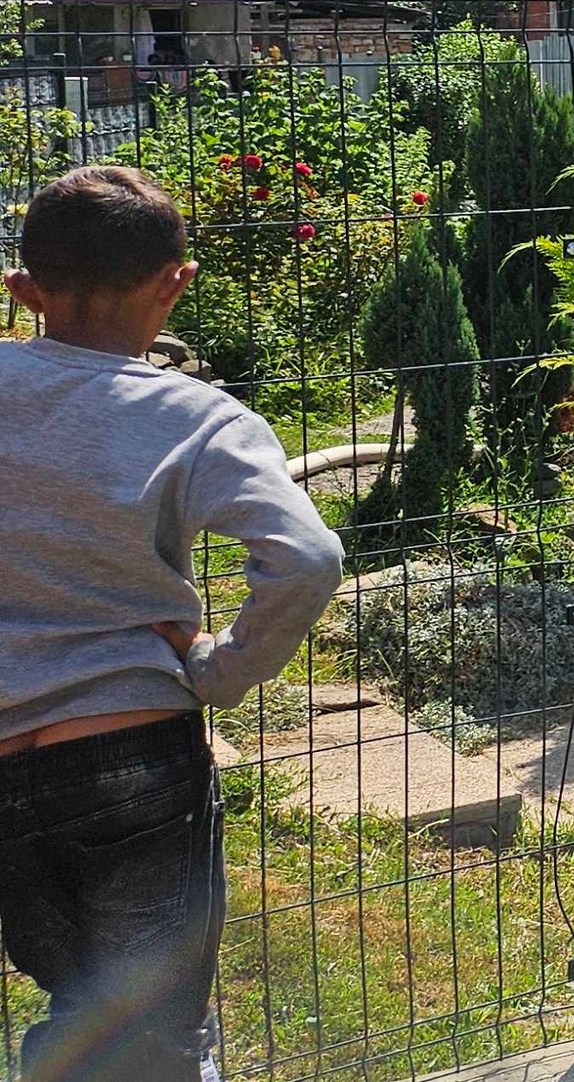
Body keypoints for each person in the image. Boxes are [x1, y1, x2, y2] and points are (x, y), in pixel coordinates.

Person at [0, 165, 344, 1082]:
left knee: (77, 1007)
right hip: (133, 758)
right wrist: (220, 669)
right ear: (176, 282)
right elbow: (307, 558)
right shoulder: (197, 417)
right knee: (154, 1035)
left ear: (22, 289)